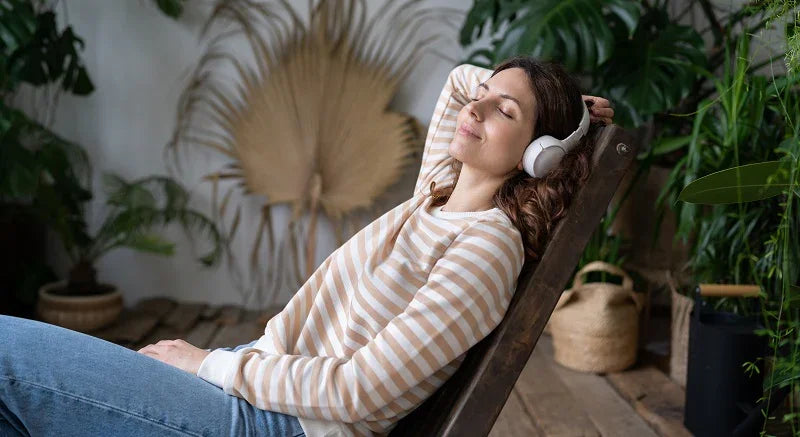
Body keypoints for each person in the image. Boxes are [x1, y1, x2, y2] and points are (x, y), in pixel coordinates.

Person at [0, 57, 614, 437]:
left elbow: (359, 392)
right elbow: (459, 83)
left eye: (502, 111)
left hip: (282, 425)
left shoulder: (486, 251)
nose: (475, 108)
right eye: (485, 97)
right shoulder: (441, 192)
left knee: (6, 353)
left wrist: (205, 363)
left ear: (540, 157)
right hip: (263, 385)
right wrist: (541, 104)